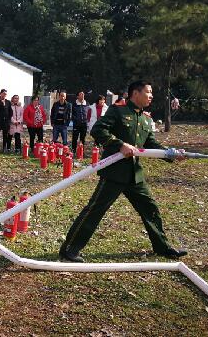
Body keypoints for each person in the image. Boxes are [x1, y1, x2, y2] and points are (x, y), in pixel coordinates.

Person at [59, 80, 188, 263]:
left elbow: (151, 144)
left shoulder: (145, 119)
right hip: (114, 173)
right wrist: (119, 145)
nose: (151, 96)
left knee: (150, 209)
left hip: (135, 175)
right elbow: (98, 129)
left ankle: (162, 247)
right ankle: (70, 249)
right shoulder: (118, 111)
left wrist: (171, 154)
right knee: (95, 210)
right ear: (135, 93)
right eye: (148, 92)